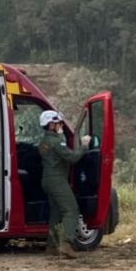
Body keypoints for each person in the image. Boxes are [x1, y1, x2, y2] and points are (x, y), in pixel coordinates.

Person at [38, 110, 91, 257]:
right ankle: (66, 244)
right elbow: (73, 158)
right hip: (57, 180)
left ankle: (51, 246)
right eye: (59, 123)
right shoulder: (56, 142)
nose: (61, 126)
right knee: (71, 210)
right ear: (51, 124)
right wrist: (84, 146)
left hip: (47, 180)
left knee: (55, 213)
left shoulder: (44, 142)